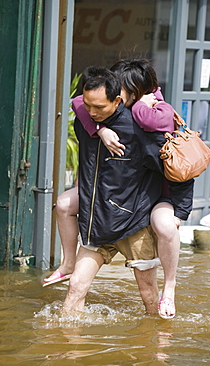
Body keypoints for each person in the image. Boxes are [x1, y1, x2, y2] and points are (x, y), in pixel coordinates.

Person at [44, 60, 194, 318]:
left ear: (118, 99)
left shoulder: (141, 129)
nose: (92, 111)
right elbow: (79, 105)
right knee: (76, 287)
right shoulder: (86, 121)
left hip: (133, 223)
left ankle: (157, 348)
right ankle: (67, 348)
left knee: (148, 296)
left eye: (99, 107)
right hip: (98, 221)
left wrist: (180, 211)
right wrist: (100, 129)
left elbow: (178, 170)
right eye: (89, 105)